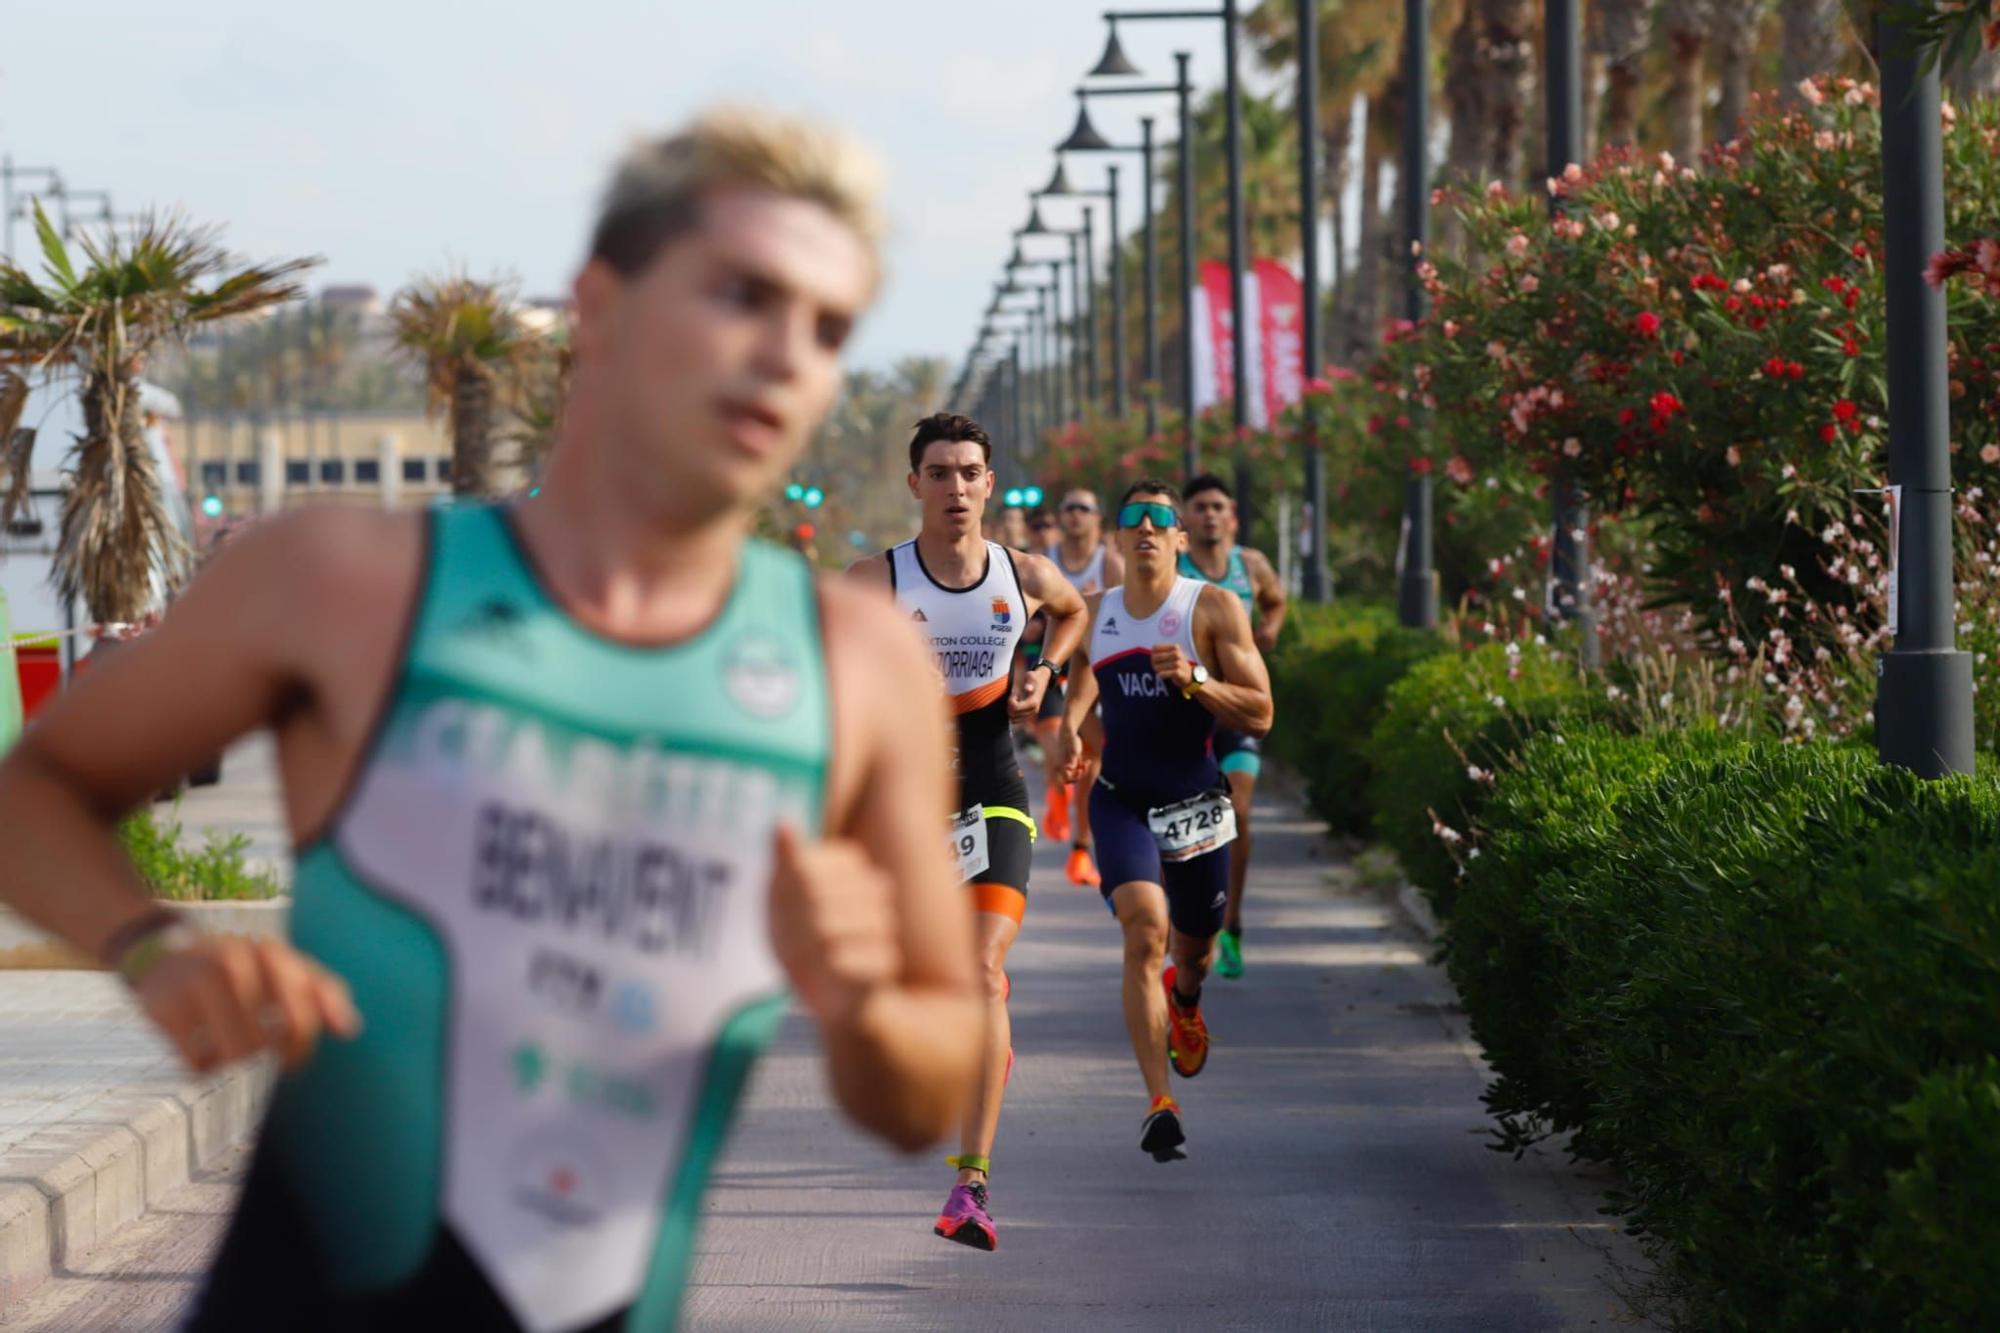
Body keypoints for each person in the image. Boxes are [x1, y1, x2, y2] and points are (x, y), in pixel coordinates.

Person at [0, 108, 983, 1331]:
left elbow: (924, 1086)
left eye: (829, 328)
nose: (788, 355)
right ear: (601, 307)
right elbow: (32, 792)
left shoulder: (859, 664)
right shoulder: (343, 579)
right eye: (743, 294)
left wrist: (860, 1002)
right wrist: (154, 946)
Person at [847, 414, 1086, 1252]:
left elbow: (1072, 611)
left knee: (984, 971)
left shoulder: (1023, 573)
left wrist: (1046, 670)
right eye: (940, 472)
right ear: (915, 483)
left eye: (969, 472)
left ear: (990, 484)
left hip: (993, 793)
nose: (956, 487)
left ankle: (971, 1185)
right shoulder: (875, 580)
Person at [1055, 480, 1272, 1162]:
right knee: (1145, 930)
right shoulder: (1096, 611)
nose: (1145, 527)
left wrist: (1196, 681)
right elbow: (1082, 671)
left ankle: (1186, 998)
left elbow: (1262, 711)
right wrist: (1069, 726)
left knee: (1193, 951)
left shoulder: (1212, 607)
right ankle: (1159, 1101)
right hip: (1121, 796)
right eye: (1134, 518)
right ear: (1118, 538)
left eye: (1159, 518)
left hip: (1196, 802)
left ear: (1180, 537)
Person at [1177, 474, 1286, 980]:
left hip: (1236, 711)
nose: (1210, 515)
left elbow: (1276, 599)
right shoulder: (1174, 567)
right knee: (1180, 821)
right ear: (1185, 517)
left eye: (1218, 507)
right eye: (1200, 507)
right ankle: (1185, 924)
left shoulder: (1251, 564)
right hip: (1185, 711)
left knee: (1237, 811)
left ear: (1233, 517)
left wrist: (1269, 629)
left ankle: (1231, 925)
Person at [1038, 488, 1123, 887]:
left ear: (1096, 518)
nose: (1075, 514)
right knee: (1056, 743)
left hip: (1092, 672)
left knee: (1092, 761)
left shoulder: (1110, 564)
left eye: (1083, 508)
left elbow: (1126, 612)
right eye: (1068, 507)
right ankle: (1058, 790)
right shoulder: (1045, 562)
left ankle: (1081, 848)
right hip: (1050, 668)